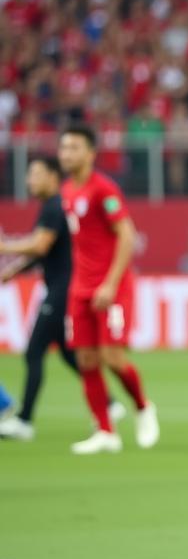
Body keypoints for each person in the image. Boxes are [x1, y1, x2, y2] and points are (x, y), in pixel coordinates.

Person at [58, 126, 159, 455]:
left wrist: (110, 283)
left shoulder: (103, 189)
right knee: (86, 359)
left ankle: (143, 407)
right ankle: (105, 431)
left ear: (90, 153)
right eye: (64, 148)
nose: (66, 153)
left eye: (74, 147)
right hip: (80, 288)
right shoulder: (68, 190)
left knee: (111, 357)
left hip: (110, 286)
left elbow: (127, 235)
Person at [0, 157, 78, 440]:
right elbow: (43, 252)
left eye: (35, 174)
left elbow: (40, 244)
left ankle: (24, 421)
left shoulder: (55, 207)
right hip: (62, 288)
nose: (28, 180)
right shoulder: (52, 206)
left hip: (61, 290)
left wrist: (5, 245)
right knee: (69, 352)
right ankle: (108, 403)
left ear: (53, 176)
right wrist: (15, 269)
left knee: (34, 352)